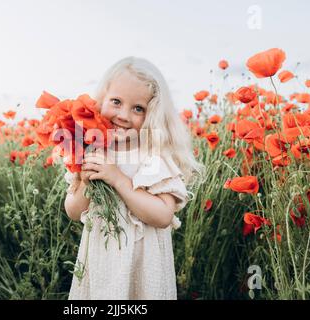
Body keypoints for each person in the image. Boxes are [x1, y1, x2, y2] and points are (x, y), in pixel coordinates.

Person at [64, 56, 205, 299]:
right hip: (101, 262)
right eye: (116, 102)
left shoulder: (153, 156)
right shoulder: (90, 151)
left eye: (138, 108)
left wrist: (118, 179)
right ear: (102, 99)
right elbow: (73, 212)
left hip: (142, 265)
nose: (124, 115)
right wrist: (86, 183)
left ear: (152, 115)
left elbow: (163, 216)